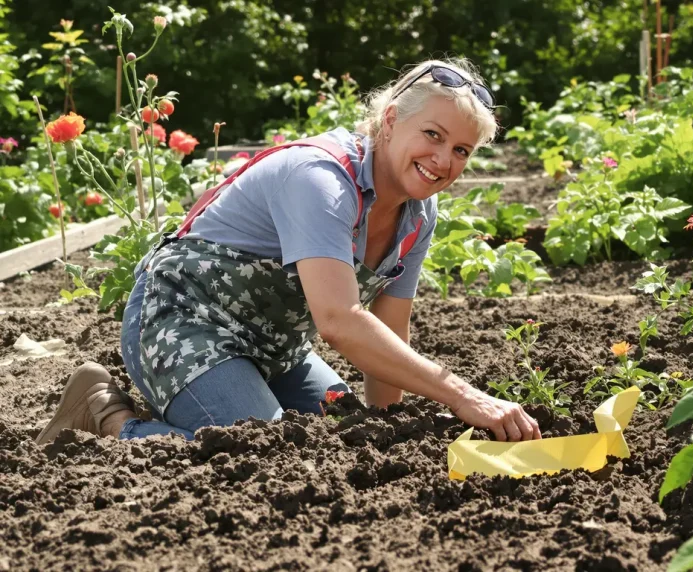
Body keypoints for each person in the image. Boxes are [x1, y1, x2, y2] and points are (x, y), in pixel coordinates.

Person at [36, 58, 542, 445]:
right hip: (182, 322)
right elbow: (339, 321)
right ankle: (106, 417)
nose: (443, 160)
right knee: (266, 451)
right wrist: (463, 396)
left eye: (460, 150)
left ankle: (222, 398)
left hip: (274, 349)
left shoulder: (418, 215)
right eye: (432, 135)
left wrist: (388, 432)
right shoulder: (321, 180)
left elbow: (389, 331)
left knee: (348, 432)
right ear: (390, 120)